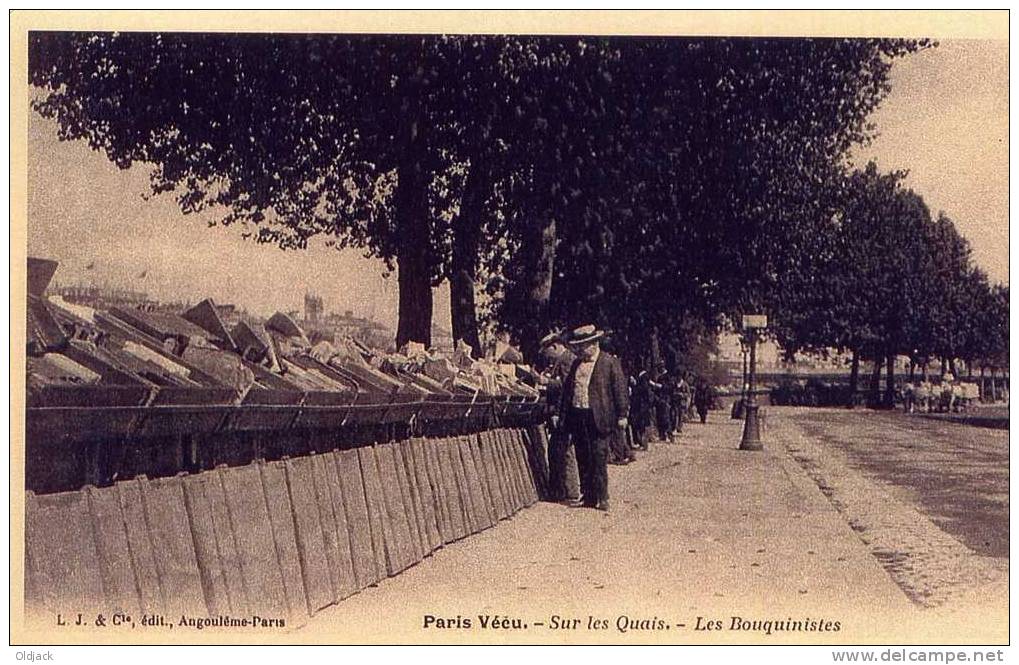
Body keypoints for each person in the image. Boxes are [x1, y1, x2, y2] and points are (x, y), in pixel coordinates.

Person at [560, 324, 629, 511]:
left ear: (594, 343)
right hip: (579, 414)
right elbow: (568, 391)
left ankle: (603, 496)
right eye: (579, 346)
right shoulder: (576, 364)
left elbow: (620, 389)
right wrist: (565, 415)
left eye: (584, 345)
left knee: (599, 456)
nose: (581, 349)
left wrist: (622, 414)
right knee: (583, 456)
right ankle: (588, 496)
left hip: (600, 416)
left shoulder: (609, 362)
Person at [538, 331, 581, 505]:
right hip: (560, 413)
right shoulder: (562, 360)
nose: (547, 357)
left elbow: (565, 387)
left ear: (555, 347)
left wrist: (544, 381)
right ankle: (561, 491)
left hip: (563, 413)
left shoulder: (566, 360)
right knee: (558, 450)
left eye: (548, 352)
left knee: (565, 451)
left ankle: (570, 492)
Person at [629, 369, 655, 450]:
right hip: (643, 407)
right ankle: (643, 442)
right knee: (642, 426)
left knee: (640, 425)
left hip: (640, 407)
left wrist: (634, 386)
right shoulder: (645, 381)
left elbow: (641, 392)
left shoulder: (641, 382)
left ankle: (642, 442)